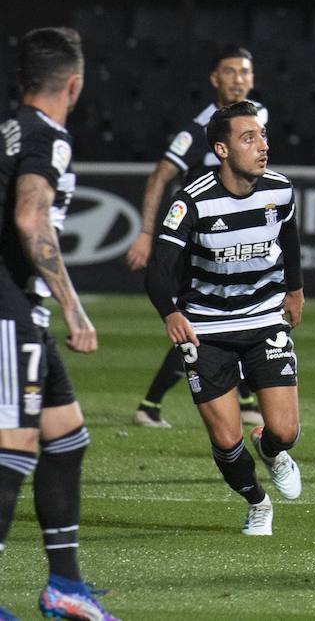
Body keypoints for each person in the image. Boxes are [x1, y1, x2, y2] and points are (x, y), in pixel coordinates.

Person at [0, 28, 120, 620]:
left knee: (65, 436)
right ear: (74, 84)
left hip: (20, 309)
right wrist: (74, 307)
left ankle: (65, 586)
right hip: (8, 306)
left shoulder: (11, 128)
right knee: (13, 447)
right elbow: (30, 216)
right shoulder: (49, 136)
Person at [144, 101, 304, 535]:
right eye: (248, 138)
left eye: (263, 136)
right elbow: (158, 269)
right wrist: (171, 313)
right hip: (207, 328)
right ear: (222, 149)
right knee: (225, 438)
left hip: (263, 318)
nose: (262, 146)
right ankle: (257, 502)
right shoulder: (191, 201)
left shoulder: (280, 190)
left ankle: (271, 451)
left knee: (285, 431)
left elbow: (288, 234)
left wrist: (295, 288)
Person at [126, 47, 267, 428]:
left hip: (232, 241)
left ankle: (247, 395)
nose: (238, 78)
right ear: (214, 79)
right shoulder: (200, 130)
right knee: (201, 324)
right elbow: (160, 175)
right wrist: (145, 232)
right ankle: (151, 404)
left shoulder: (257, 119)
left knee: (237, 313)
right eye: (230, 71)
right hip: (200, 241)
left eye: (244, 72)